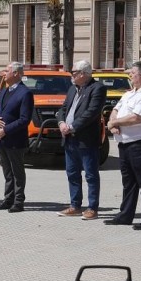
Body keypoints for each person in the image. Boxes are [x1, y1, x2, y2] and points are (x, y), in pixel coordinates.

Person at [105, 61, 141, 231]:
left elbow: (136, 117)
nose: (130, 75)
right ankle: (125, 215)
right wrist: (112, 122)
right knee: (128, 182)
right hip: (125, 143)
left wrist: (114, 122)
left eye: (132, 73)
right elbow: (116, 108)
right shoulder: (130, 93)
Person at [57, 60, 105, 220]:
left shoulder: (97, 88)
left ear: (83, 74)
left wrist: (72, 127)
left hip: (86, 140)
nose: (72, 75)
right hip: (69, 139)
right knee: (72, 173)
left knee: (91, 175)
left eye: (74, 72)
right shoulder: (72, 89)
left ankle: (92, 208)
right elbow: (63, 109)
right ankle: (75, 205)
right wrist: (62, 123)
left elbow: (91, 113)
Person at [0, 62, 34, 213]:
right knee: (7, 172)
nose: (4, 73)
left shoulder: (25, 93)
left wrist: (6, 130)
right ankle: (8, 199)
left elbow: (24, 119)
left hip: (15, 140)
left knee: (17, 172)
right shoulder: (4, 90)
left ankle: (18, 201)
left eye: (7, 70)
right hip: (2, 140)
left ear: (16, 73)